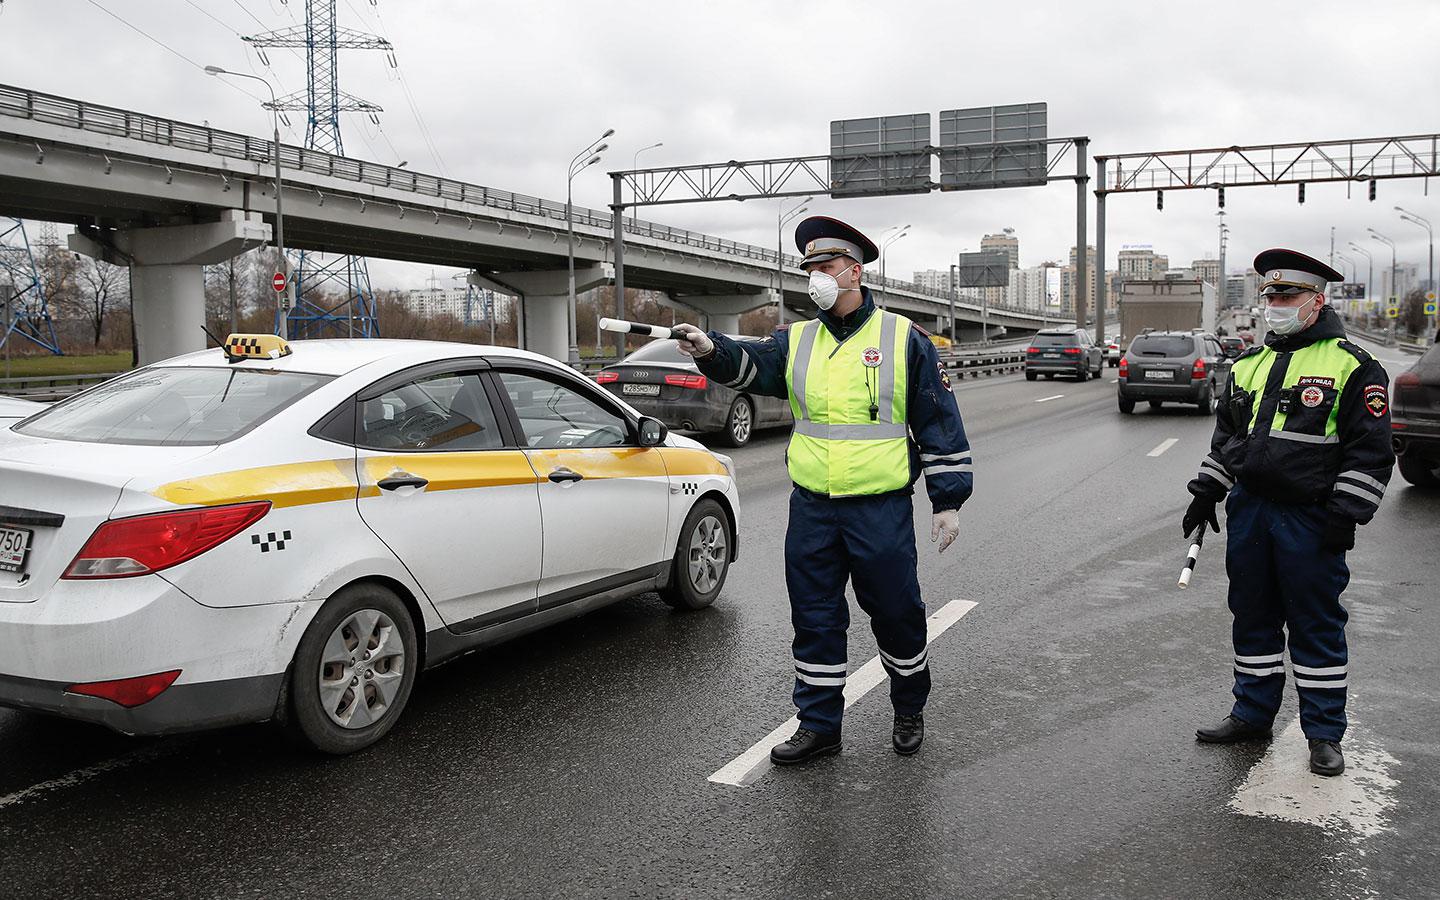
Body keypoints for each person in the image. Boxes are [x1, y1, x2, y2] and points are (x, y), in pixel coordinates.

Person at [671, 215, 974, 764]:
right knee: (814, 617)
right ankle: (819, 726)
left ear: (854, 272)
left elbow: (937, 419)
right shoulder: (797, 338)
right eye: (808, 267)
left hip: (879, 508)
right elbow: (752, 367)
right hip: (812, 507)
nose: (815, 277)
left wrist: (947, 500)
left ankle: (908, 708)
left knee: (897, 613)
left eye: (825, 266)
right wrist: (708, 349)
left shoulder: (904, 338)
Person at [1184, 248, 1394, 777]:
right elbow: (1230, 439)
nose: (1274, 304)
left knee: (1315, 623)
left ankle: (1323, 734)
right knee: (1251, 616)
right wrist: (1207, 490)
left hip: (1310, 517)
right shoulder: (1249, 365)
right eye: (1269, 295)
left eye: (1286, 295)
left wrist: (1345, 516)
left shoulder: (1353, 365)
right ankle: (1252, 714)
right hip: (1251, 512)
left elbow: (1370, 452)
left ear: (1316, 301)